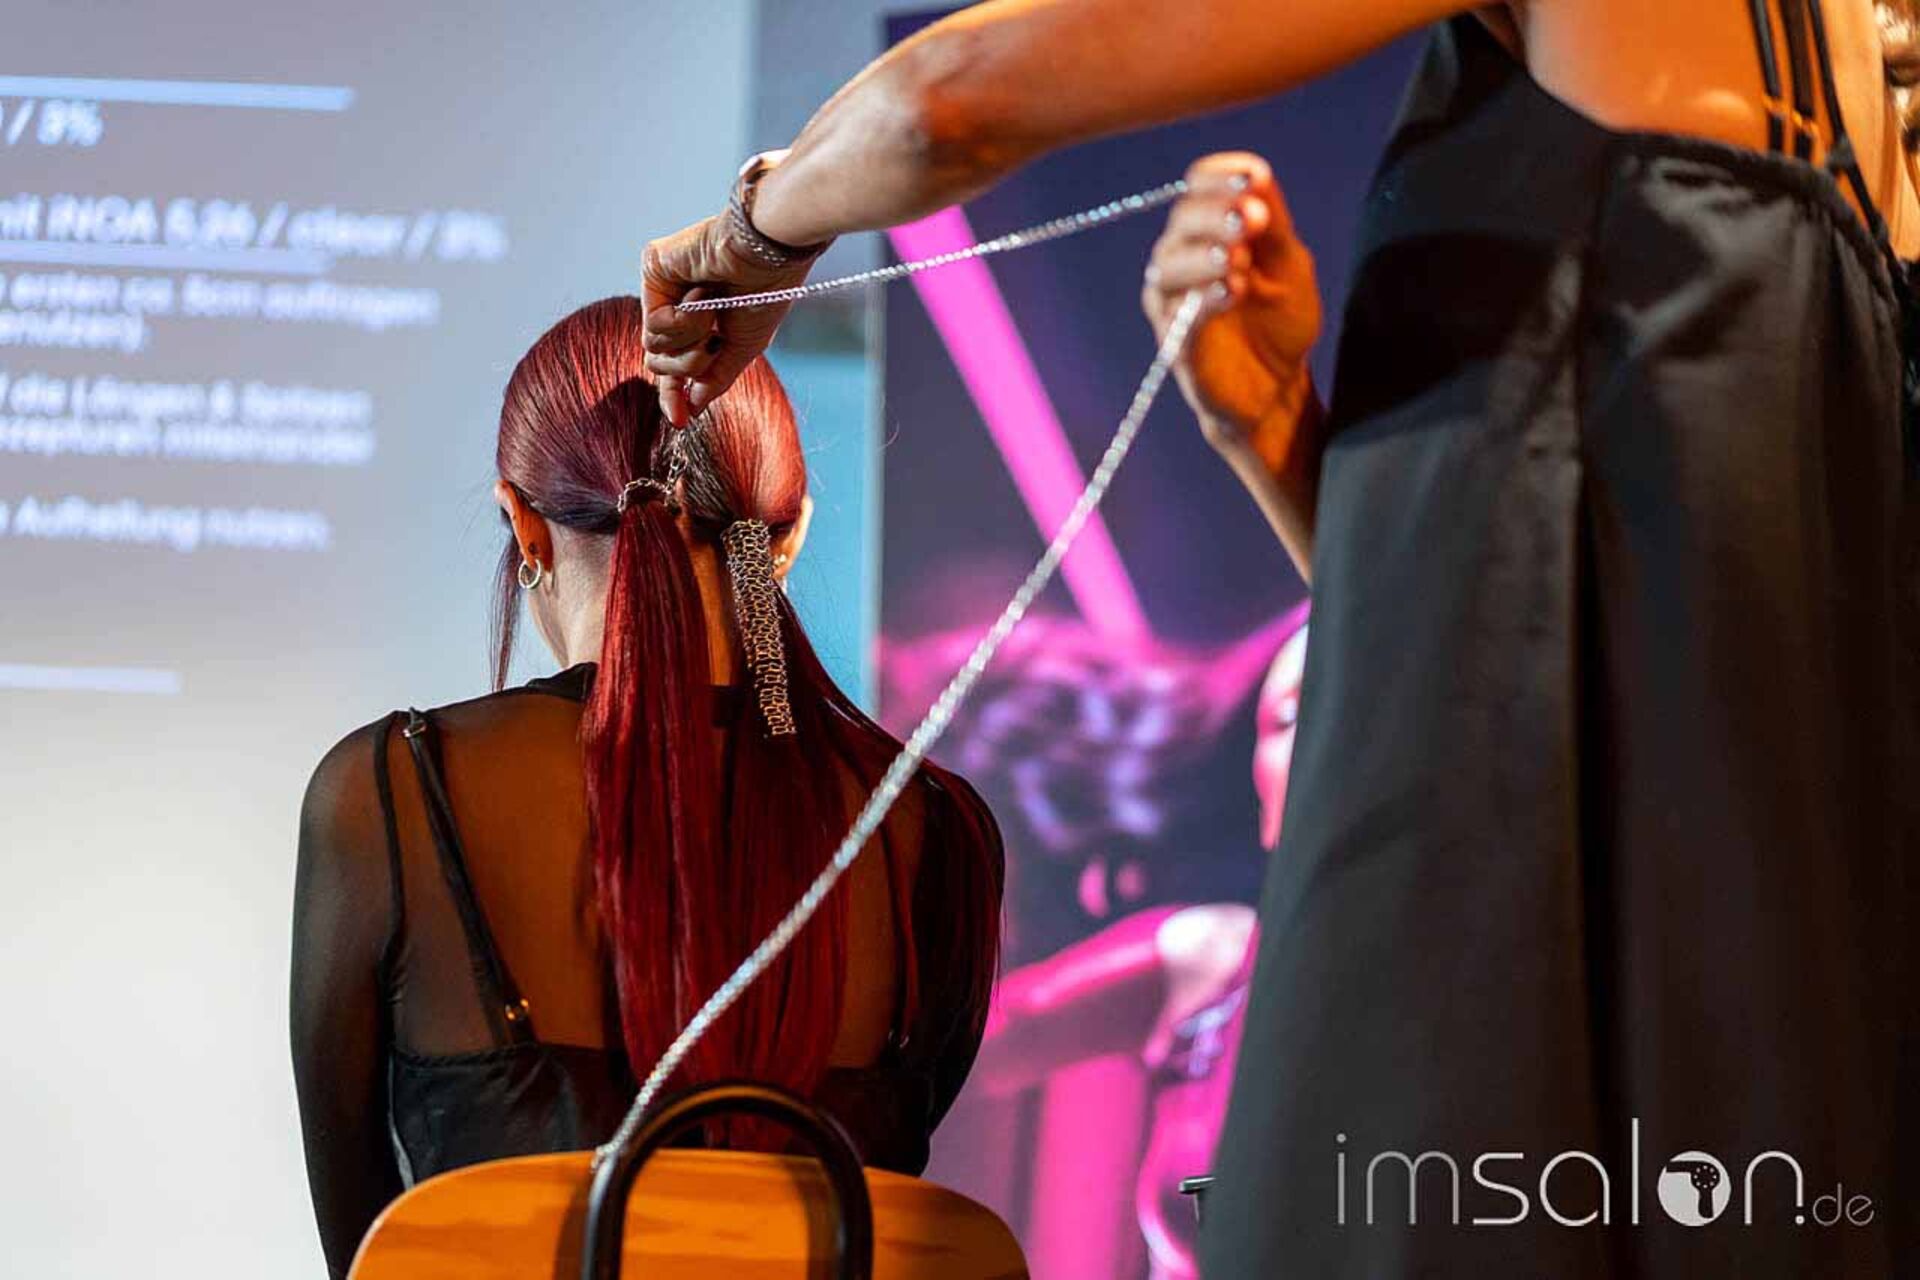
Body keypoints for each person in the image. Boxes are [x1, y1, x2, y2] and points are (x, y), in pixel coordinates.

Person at [640, 2, 1919, 1274]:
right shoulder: (1874, 156)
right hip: (1787, 1034)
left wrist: (750, 233)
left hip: (1496, 995)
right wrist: (1273, 435)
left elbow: (949, 103)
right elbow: (1603, 627)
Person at [289, 297, 1004, 1278]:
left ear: (524, 526)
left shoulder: (392, 798)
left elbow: (371, 1254)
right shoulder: (935, 829)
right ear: (786, 536)